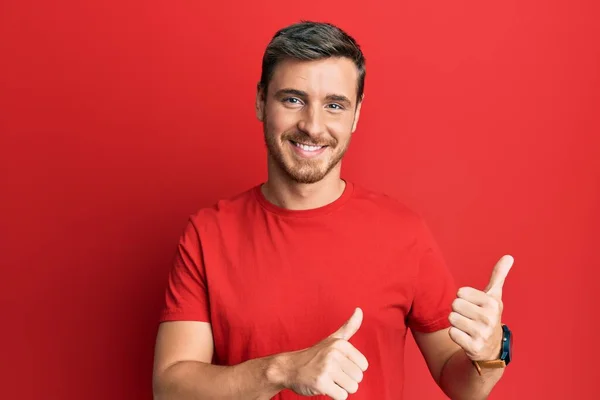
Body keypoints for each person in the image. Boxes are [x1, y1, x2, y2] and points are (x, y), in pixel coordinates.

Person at [152, 21, 514, 400]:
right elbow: (171, 389)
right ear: (261, 101)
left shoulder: (403, 232)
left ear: (356, 115)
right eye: (292, 99)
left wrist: (490, 354)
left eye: (334, 105)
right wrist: (283, 370)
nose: (312, 125)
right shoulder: (207, 234)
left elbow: (463, 386)